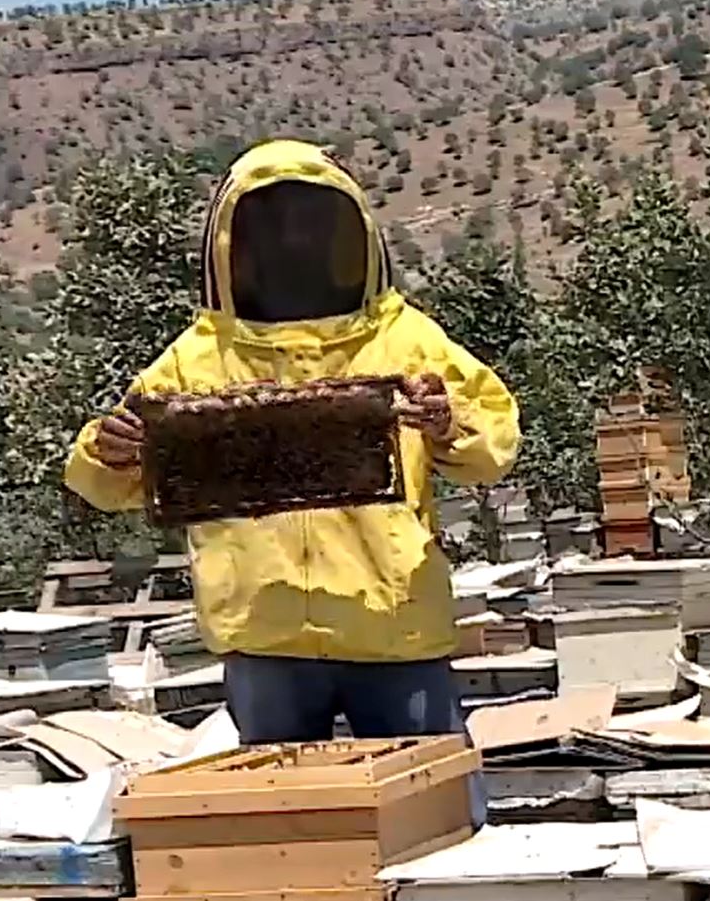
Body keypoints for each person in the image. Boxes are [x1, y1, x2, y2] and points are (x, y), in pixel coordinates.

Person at [63, 140, 520, 802]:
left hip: (391, 624)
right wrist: (107, 449)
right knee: (285, 831)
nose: (294, 239)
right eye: (273, 224)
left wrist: (448, 425)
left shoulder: (407, 339)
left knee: (435, 813)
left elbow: (494, 443)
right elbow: (111, 479)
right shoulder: (198, 357)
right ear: (234, 243)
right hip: (265, 630)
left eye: (310, 221)